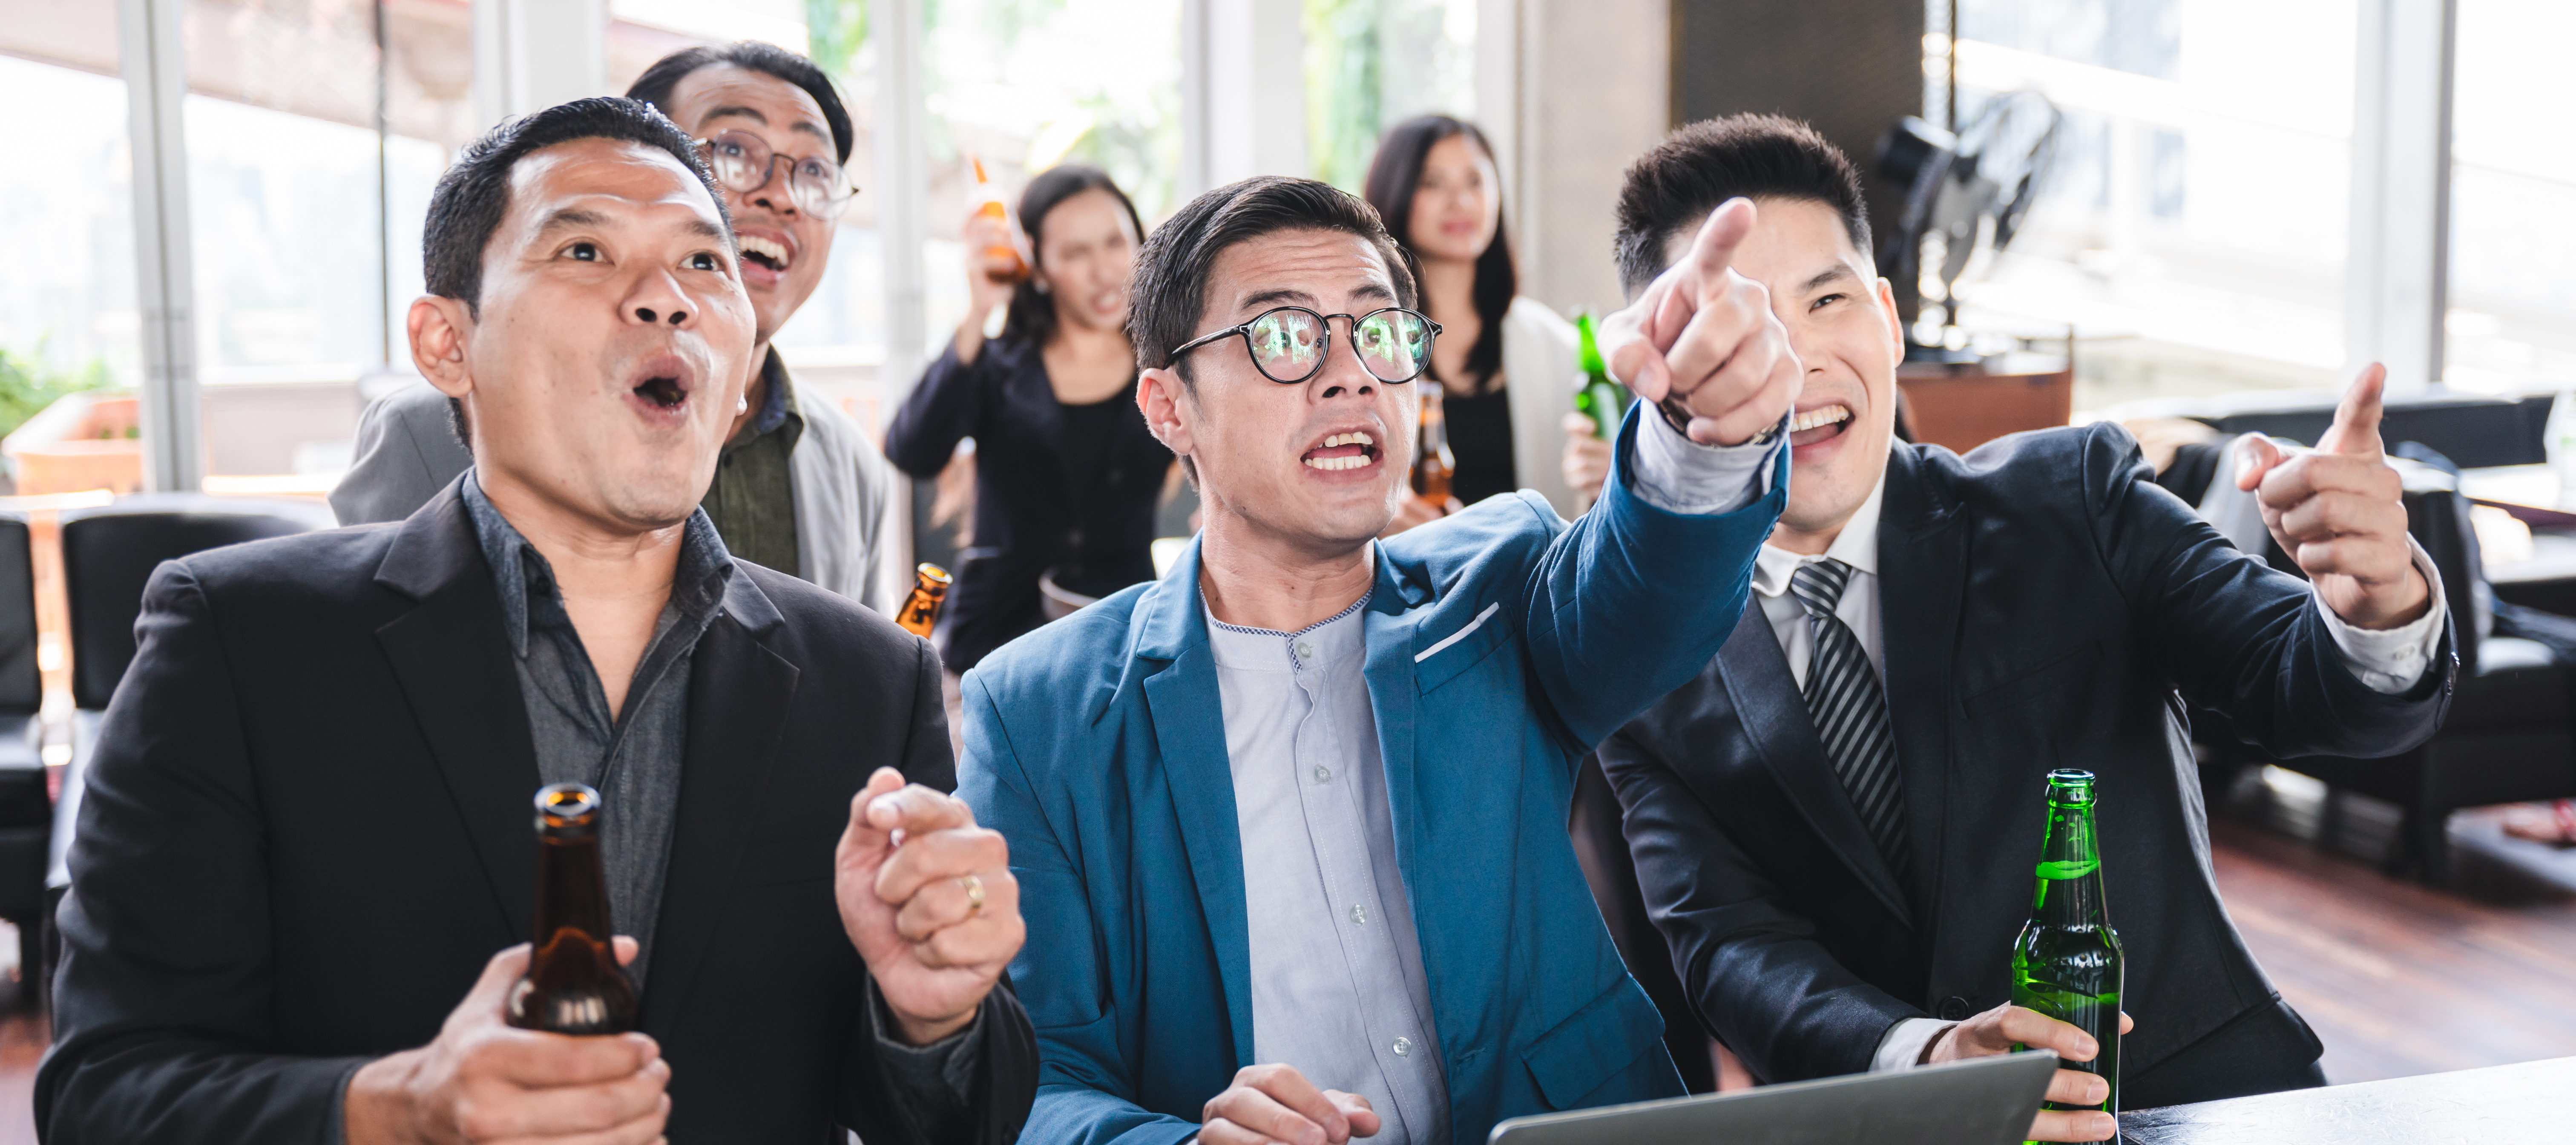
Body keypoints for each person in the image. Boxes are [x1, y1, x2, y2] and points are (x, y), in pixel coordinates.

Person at [39, 97, 1036, 1143]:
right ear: (446, 344)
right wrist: (395, 1111)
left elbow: (965, 1118)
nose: (666, 298)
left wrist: (936, 1019)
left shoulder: (870, 680)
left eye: (705, 263)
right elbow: (105, 1092)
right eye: (585, 249)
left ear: (740, 371)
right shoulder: (242, 640)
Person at [1584, 115, 2454, 1140]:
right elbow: (1732, 949)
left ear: (1889, 320)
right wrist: (1932, 1065)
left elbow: (2302, 686)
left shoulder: (2070, 501)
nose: (1801, 359)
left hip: (2204, 1106)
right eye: (1745, 329)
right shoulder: (1648, 663)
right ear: (1669, 378)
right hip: (1913, 1129)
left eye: (1827, 302)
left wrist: (2373, 604)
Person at [957, 174, 1799, 1144]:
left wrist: (1702, 431)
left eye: (1380, 332)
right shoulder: (1036, 713)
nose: (1350, 375)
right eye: (1282, 337)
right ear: (1168, 406)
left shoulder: (1499, 582)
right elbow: (1033, 1077)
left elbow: (1652, 596)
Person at [331, 42, 911, 616]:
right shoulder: (425, 429)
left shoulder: (853, 463)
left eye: (814, 171)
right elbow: (377, 642)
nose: (782, 196)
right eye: (734, 151)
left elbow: (849, 661)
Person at [884, 164, 1175, 673]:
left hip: (1124, 634)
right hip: (999, 639)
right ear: (1037, 268)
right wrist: (979, 312)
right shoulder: (998, 366)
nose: (1105, 270)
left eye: (1115, 242)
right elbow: (911, 450)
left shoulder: (1166, 364)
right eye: (1075, 253)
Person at [1362, 114, 1584, 523]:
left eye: (1475, 181)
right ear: (1395, 191)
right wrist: (1375, 516)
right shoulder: (1362, 342)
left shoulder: (1552, 345)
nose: (1460, 202)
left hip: (1532, 563)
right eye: (1432, 183)